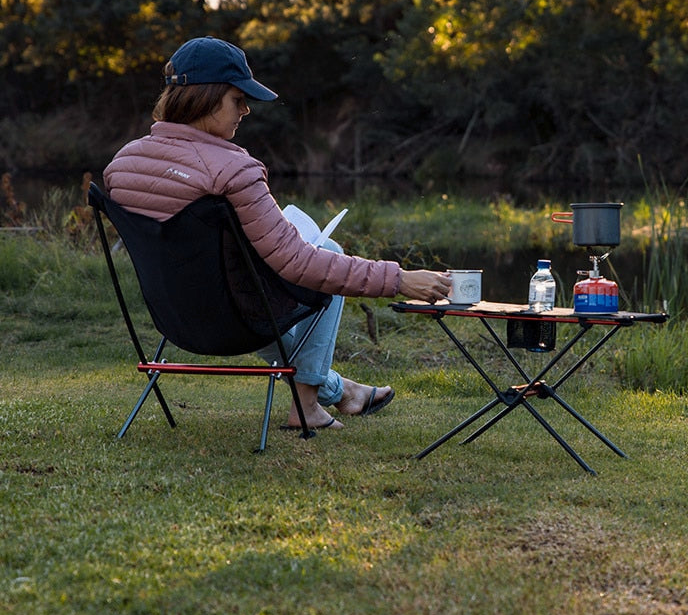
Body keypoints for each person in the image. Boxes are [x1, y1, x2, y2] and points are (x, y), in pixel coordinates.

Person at [103, 36, 451, 431]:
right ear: (207, 97)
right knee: (326, 253)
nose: (246, 110)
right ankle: (306, 406)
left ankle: (340, 391)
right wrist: (400, 279)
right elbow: (301, 263)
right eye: (238, 99)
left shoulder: (122, 165)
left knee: (270, 278)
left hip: (172, 318)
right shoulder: (234, 170)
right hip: (236, 324)